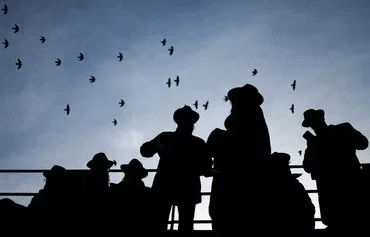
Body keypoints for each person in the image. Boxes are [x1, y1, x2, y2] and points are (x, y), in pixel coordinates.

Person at [140, 105, 212, 236]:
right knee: (165, 226)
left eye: (190, 120)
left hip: (177, 188)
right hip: (174, 188)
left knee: (179, 227)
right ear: (179, 121)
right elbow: (145, 151)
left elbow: (206, 167)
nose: (189, 123)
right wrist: (157, 146)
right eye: (187, 119)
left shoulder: (170, 138)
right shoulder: (168, 138)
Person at [301, 109, 368, 235]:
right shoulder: (313, 143)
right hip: (330, 191)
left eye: (314, 121)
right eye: (311, 123)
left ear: (322, 118)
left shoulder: (342, 129)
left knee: (354, 219)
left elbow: (363, 144)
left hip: (349, 185)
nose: (313, 126)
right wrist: (311, 147)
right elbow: (307, 167)